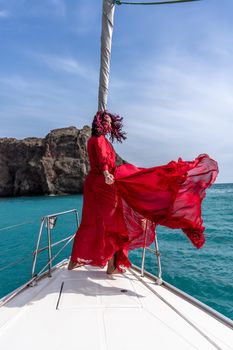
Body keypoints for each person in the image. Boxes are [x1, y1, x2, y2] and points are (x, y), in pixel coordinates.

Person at [68, 111, 218, 273]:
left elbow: (102, 159)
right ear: (98, 121)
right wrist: (106, 173)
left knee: (94, 221)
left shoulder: (95, 140)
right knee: (113, 224)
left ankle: (83, 260)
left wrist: (107, 174)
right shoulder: (99, 141)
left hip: (97, 183)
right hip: (105, 183)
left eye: (111, 122)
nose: (109, 125)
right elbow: (103, 160)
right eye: (106, 121)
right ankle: (110, 265)